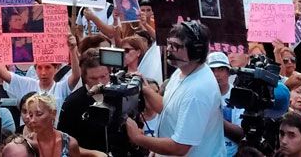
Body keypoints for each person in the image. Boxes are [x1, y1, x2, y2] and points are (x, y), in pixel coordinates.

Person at [125, 21, 226, 156]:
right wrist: (145, 89)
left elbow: (179, 147)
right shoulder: (183, 70)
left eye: (176, 46)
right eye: (169, 43)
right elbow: (168, 109)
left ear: (195, 51)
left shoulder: (197, 91)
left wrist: (139, 138)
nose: (169, 49)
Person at [0, 35, 80, 115]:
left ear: (56, 68)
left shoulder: (61, 87)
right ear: (34, 69)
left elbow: (76, 76)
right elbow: (3, 73)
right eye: (39, 68)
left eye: (48, 67)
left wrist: (72, 50)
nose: (43, 72)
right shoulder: (27, 84)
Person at [57, 49, 113, 154]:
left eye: (103, 76)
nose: (99, 83)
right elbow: (65, 143)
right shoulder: (73, 103)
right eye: (93, 78)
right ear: (85, 78)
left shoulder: (118, 96)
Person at [208, 52, 244, 157]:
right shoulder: (200, 96)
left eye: (221, 69)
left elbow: (240, 134)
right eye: (212, 70)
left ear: (228, 72)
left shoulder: (238, 95)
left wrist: (215, 118)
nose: (216, 74)